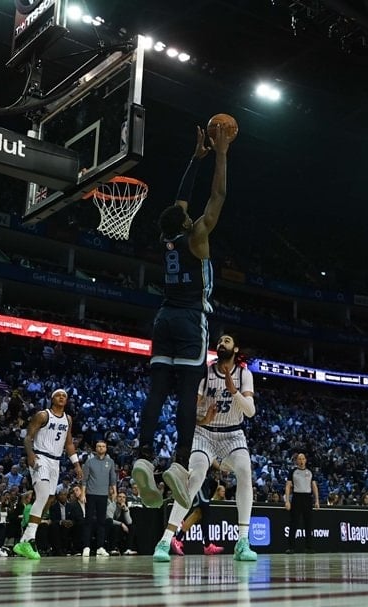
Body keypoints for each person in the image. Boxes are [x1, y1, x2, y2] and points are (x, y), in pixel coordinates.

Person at [133, 123, 232, 510]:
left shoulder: (168, 237)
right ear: (187, 221)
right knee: (187, 394)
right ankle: (178, 461)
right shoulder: (198, 236)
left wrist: (195, 158)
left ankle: (143, 454)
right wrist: (221, 153)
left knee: (157, 391)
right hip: (192, 318)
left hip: (164, 318)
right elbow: (218, 195)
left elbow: (181, 200)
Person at [153, 334, 257, 562]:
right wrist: (202, 416)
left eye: (227, 341)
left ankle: (242, 541)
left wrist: (234, 392)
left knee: (244, 471)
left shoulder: (244, 374)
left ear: (235, 348)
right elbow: (191, 411)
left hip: (232, 433)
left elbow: (250, 411)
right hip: (205, 433)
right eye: (219, 341)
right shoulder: (206, 372)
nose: (222, 343)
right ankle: (164, 540)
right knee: (195, 477)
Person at [14, 389, 83, 560]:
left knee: (50, 499)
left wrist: (76, 464)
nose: (62, 397)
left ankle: (25, 539)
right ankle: (28, 539)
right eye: (59, 395)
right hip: (40, 457)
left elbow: (69, 444)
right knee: (43, 494)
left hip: (56, 461)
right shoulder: (43, 415)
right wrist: (30, 454)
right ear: (52, 399)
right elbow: (28, 437)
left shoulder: (68, 419)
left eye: (65, 396)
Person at [82, 440, 117, 557]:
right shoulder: (89, 462)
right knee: (88, 521)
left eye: (103, 446)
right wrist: (82, 494)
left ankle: (100, 547)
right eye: (99, 446)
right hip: (91, 494)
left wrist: (114, 492)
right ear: (95, 448)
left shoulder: (110, 462)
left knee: (102, 521)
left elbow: (112, 478)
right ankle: (86, 546)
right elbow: (84, 480)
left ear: (106, 448)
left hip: (103, 495)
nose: (101, 448)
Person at [284, 452, 320, 554]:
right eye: (299, 459)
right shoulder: (293, 472)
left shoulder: (310, 472)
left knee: (308, 523)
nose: (301, 461)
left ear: (305, 460)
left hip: (307, 498)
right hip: (297, 497)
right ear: (296, 461)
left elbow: (314, 486)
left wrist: (317, 500)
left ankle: (309, 547)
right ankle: (291, 547)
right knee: (294, 523)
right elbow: (288, 486)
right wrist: (287, 501)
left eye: (303, 458)